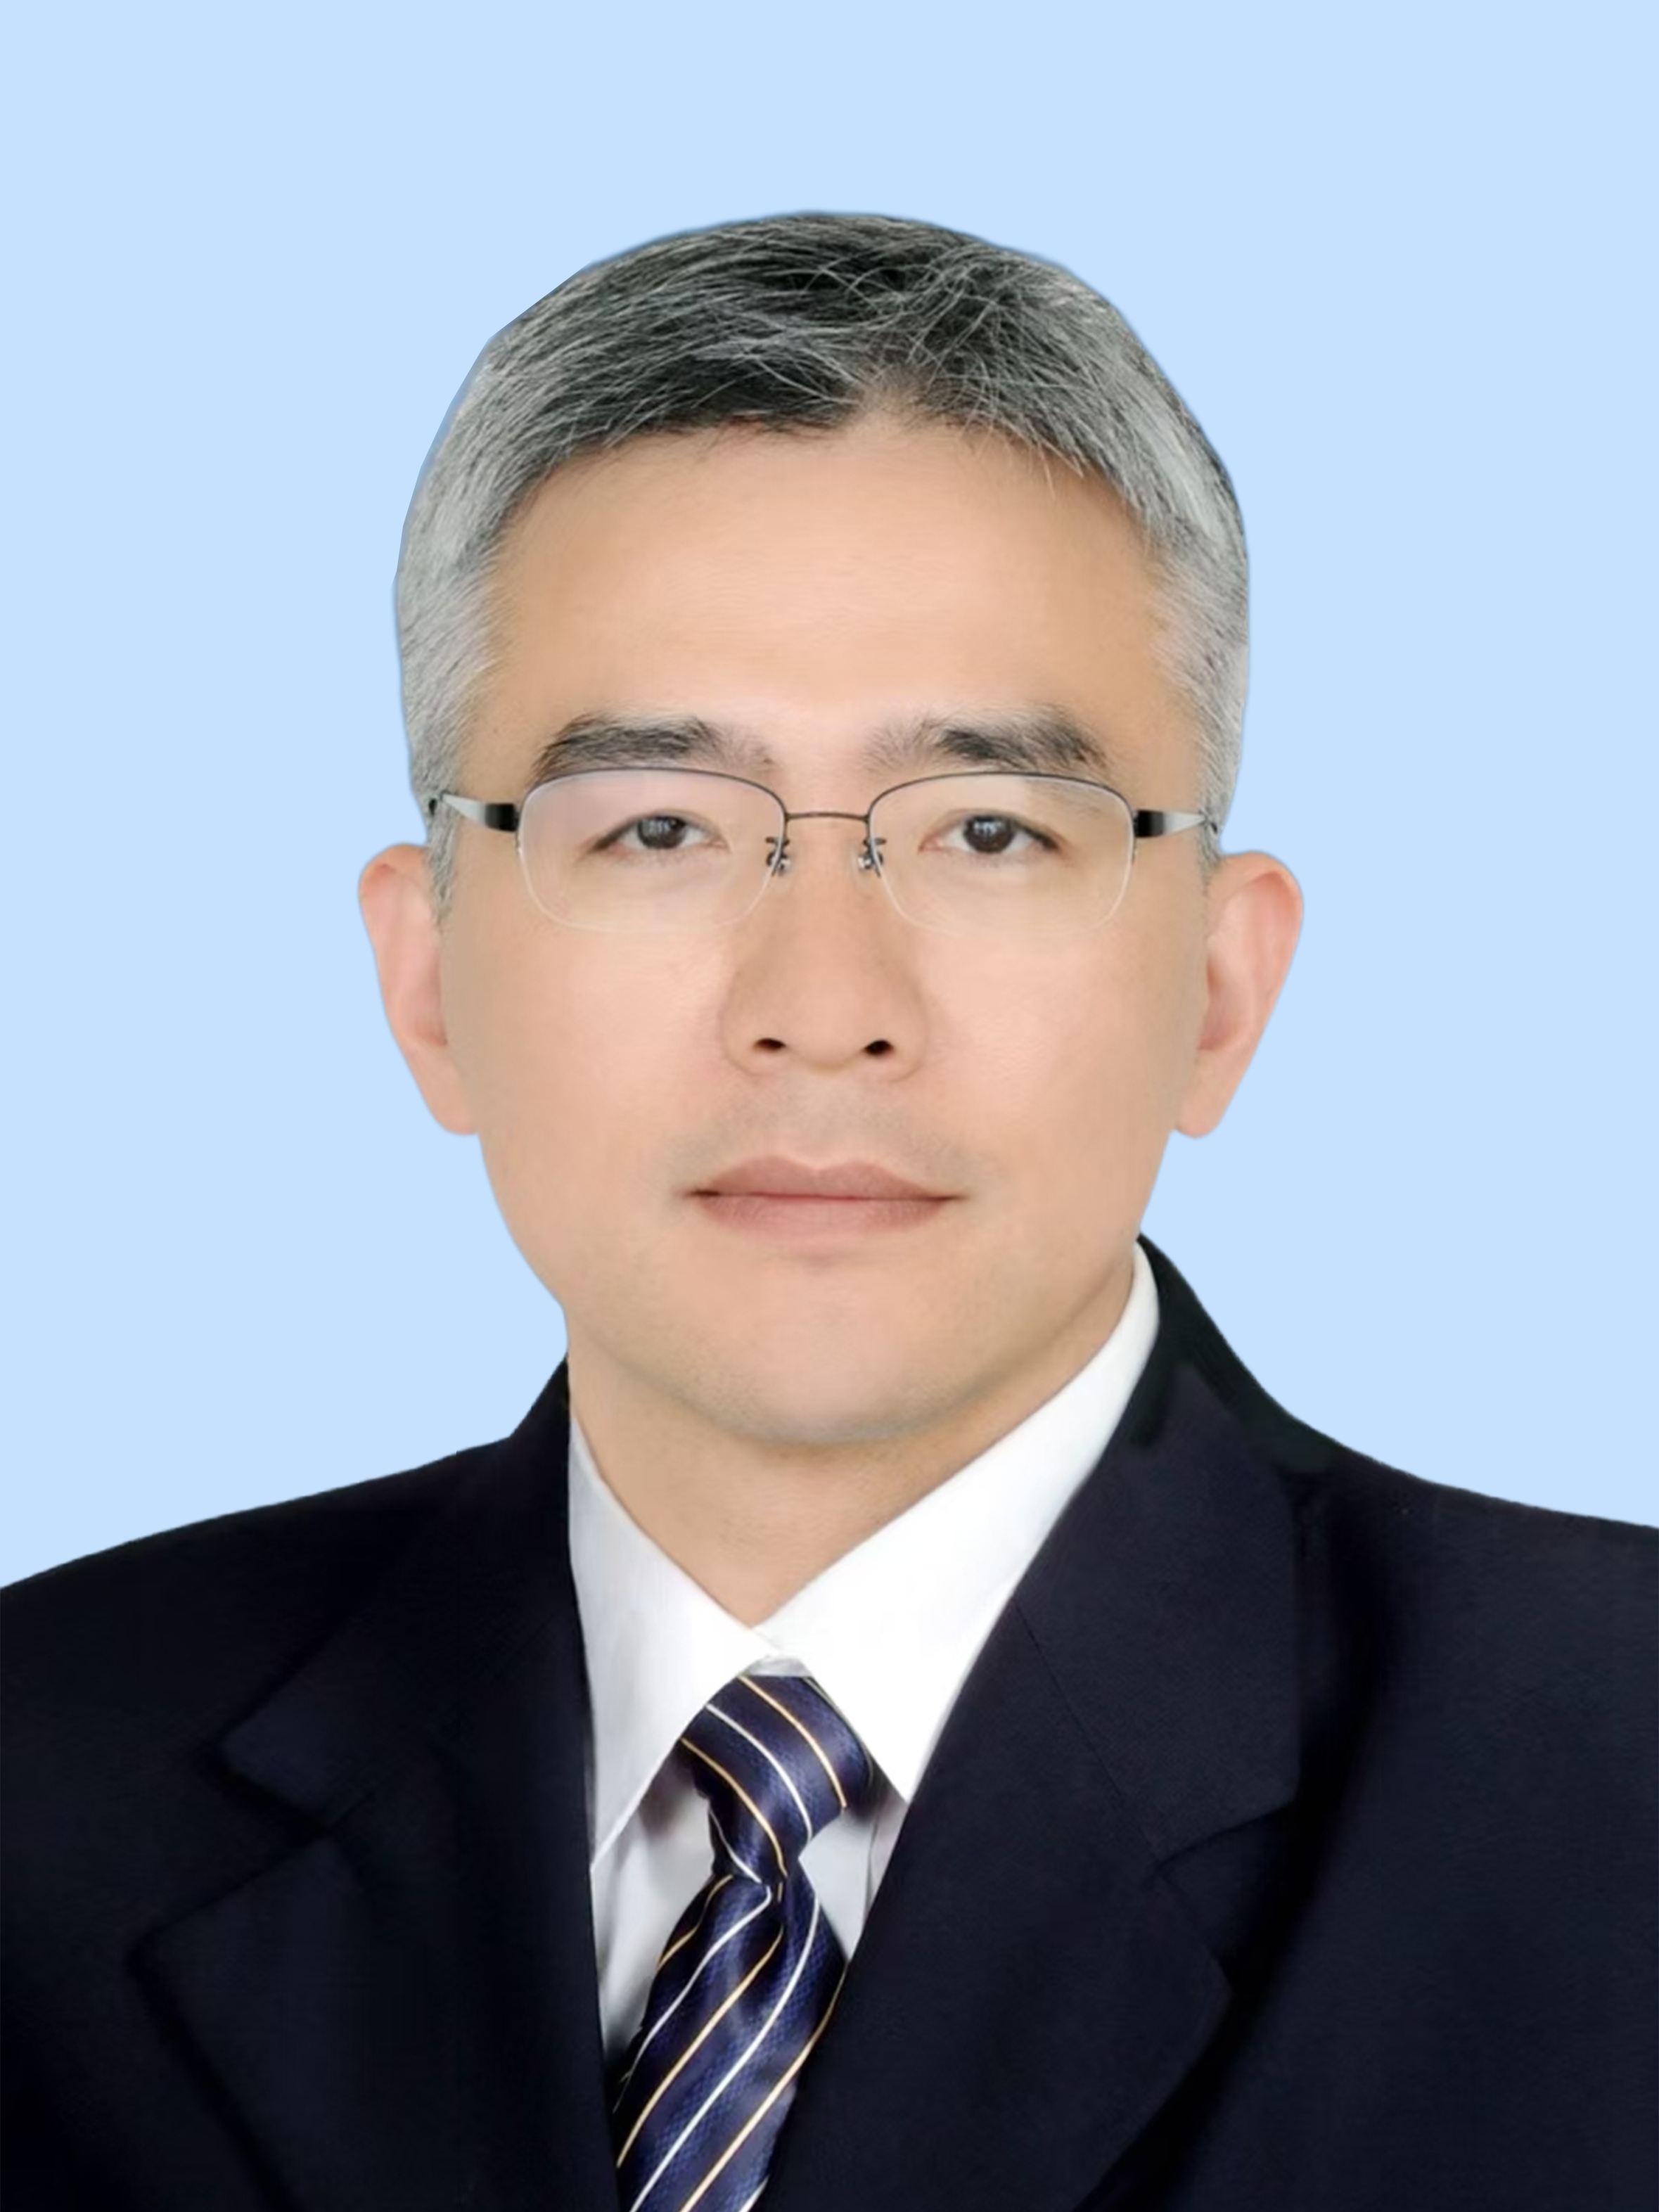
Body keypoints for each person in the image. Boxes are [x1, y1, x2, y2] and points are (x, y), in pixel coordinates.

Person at [4, 212, 1653, 2212]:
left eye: (988, 831)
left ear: (1222, 991)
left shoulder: (1608, 1779)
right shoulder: (44, 1773)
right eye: (659, 829)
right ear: (426, 980)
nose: (820, 1007)